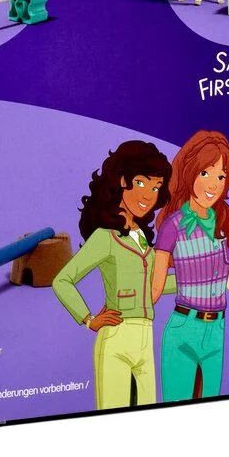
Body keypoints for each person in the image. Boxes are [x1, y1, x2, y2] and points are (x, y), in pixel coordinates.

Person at [53, 141, 173, 409]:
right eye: (141, 183)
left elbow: (156, 283)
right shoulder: (105, 238)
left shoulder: (142, 239)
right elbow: (62, 280)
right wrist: (88, 319)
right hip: (116, 339)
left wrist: (204, 279)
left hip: (145, 341)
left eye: (156, 187)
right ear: (122, 180)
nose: (149, 195)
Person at [151, 130, 229, 400]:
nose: (213, 184)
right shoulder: (172, 226)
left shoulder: (226, 220)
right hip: (183, 329)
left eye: (221, 176)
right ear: (190, 172)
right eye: (205, 173)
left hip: (216, 331)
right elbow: (156, 287)